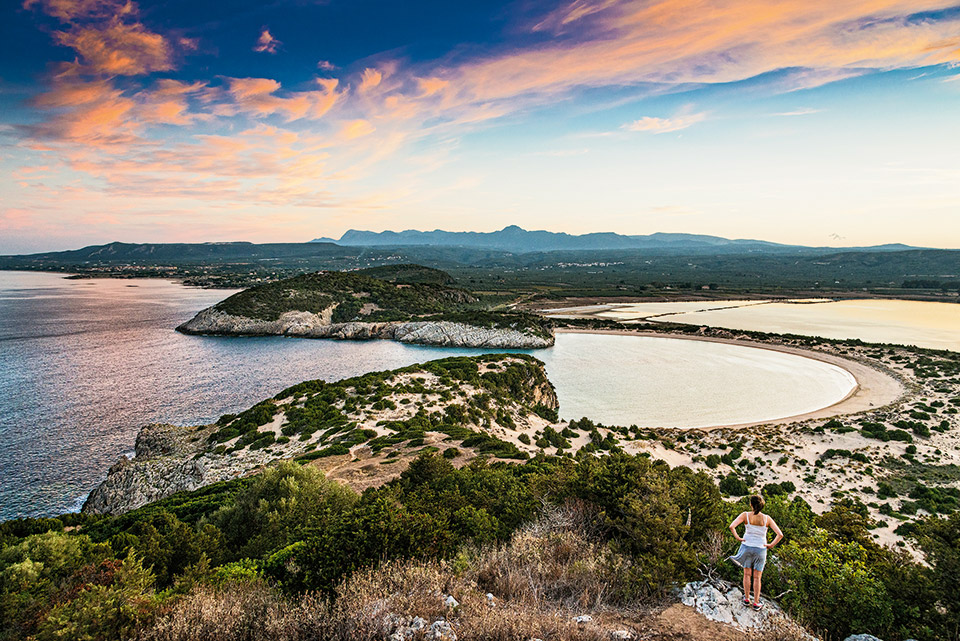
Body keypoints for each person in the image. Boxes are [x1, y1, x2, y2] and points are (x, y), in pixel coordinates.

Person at [728, 494, 783, 611]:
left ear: (751, 504)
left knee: (746, 574)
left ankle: (747, 599)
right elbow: (780, 534)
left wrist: (738, 538)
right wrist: (771, 545)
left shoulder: (745, 515)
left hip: (747, 546)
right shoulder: (767, 518)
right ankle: (756, 603)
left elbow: (732, 526)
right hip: (760, 549)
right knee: (757, 577)